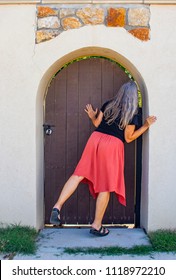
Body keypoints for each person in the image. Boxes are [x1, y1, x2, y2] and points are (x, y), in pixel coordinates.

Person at [50, 80, 157, 237]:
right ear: (135, 97)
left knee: (78, 174)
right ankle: (97, 224)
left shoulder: (109, 104)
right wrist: (146, 125)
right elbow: (128, 138)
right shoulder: (133, 113)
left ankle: (57, 207)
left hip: (95, 139)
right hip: (113, 146)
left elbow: (97, 123)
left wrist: (93, 116)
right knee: (106, 185)